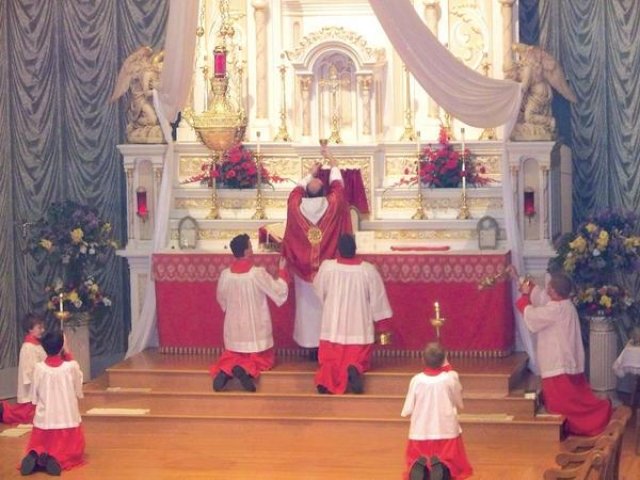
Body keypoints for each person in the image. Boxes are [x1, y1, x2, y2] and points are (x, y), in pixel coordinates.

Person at [516, 272, 612, 436]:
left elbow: (532, 316)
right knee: (576, 399)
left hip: (557, 363)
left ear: (553, 290)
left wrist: (524, 296)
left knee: (566, 404)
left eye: (549, 287)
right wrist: (520, 279)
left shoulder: (555, 309)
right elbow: (541, 298)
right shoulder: (565, 304)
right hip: (568, 360)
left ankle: (593, 419)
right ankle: (591, 416)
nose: (546, 289)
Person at [281, 146, 352, 359]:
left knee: (307, 308)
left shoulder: (296, 205)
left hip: (304, 271)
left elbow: (294, 191)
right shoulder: (333, 203)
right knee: (326, 308)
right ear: (324, 192)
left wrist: (311, 172)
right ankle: (325, 345)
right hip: (326, 271)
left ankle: (310, 346)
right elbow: (339, 187)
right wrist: (333, 163)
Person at [313, 233, 392, 394]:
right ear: (355, 248)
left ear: (338, 250)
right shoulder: (368, 270)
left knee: (330, 360)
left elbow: (318, 291)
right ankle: (354, 368)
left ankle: (325, 380)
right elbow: (378, 298)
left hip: (333, 326)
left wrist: (330, 306)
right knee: (358, 357)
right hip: (359, 326)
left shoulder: (327, 267)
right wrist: (381, 323)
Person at [210, 234, 289, 392]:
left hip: (234, 329)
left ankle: (225, 372)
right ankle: (245, 370)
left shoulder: (226, 275)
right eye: (250, 246)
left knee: (233, 355)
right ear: (246, 252)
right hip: (254, 327)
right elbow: (278, 291)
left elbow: (221, 299)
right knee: (262, 358)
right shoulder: (256, 274)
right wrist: (282, 271)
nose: (252, 249)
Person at [401, 342, 473, 480]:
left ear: (423, 359)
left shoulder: (416, 380)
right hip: (445, 427)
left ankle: (420, 466)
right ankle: (444, 467)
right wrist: (460, 405)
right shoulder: (449, 379)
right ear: (444, 359)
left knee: (418, 453)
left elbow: (409, 405)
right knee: (450, 457)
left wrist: (406, 412)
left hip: (421, 429)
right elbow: (458, 400)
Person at [20, 328, 85, 475]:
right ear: (62, 346)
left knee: (41, 442)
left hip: (45, 419)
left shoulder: (39, 368)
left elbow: (34, 395)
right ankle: (53, 458)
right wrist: (67, 352)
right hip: (66, 416)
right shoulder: (71, 367)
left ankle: (36, 454)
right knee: (74, 453)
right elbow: (78, 383)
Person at [1, 313, 46, 425]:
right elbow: (30, 372)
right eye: (39, 327)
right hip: (32, 391)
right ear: (30, 329)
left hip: (39, 388)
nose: (43, 330)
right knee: (24, 415)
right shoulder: (28, 348)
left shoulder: (37, 345)